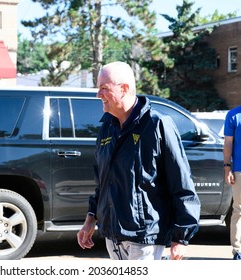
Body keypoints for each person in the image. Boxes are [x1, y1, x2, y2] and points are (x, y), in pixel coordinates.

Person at [77, 61, 201, 260]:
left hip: (145, 238)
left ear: (124, 89)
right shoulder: (107, 127)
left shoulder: (157, 124)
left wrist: (181, 237)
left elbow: (182, 183)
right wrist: (90, 219)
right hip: (113, 236)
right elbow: (102, 182)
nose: (98, 94)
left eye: (104, 88)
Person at [223, 106, 241, 260]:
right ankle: (238, 250)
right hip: (239, 170)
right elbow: (228, 142)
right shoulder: (234, 115)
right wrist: (227, 167)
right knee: (239, 210)